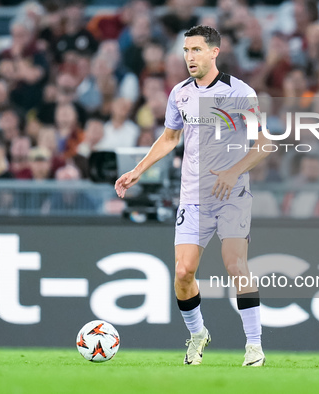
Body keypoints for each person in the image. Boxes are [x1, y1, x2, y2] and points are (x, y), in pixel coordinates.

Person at [115, 25, 270, 367]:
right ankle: (198, 334)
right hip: (193, 198)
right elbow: (170, 139)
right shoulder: (180, 93)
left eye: (196, 50)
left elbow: (264, 144)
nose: (189, 57)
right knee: (184, 272)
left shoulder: (240, 92)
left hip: (232, 195)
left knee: (235, 265)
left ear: (215, 52)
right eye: (186, 51)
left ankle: (254, 345)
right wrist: (138, 170)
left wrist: (232, 172)